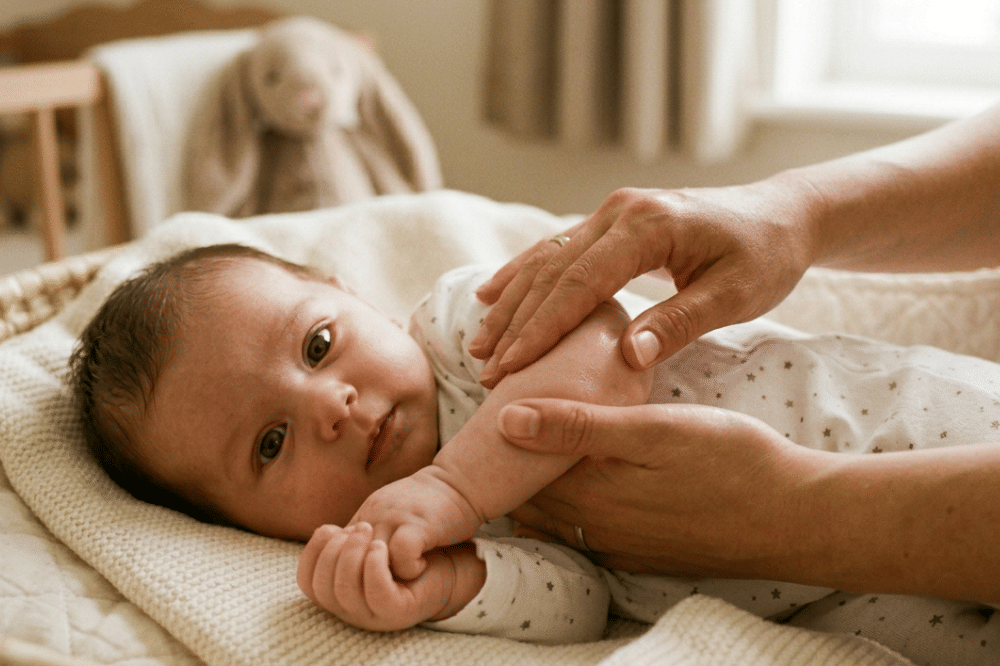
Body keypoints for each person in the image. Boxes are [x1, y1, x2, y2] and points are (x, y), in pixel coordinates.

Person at [70, 243, 1000, 660]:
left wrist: (454, 485)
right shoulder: (412, 526)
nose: (332, 406)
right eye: (269, 444)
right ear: (249, 527)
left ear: (344, 289)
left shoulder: (464, 327)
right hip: (859, 600)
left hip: (888, 418)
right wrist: (444, 588)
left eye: (318, 345)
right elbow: (578, 605)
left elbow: (609, 348)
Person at [467, 101, 1000, 605]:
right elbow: (564, 599)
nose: (377, 407)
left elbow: (601, 350)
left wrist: (795, 515)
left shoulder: (454, 327)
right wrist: (797, 210)